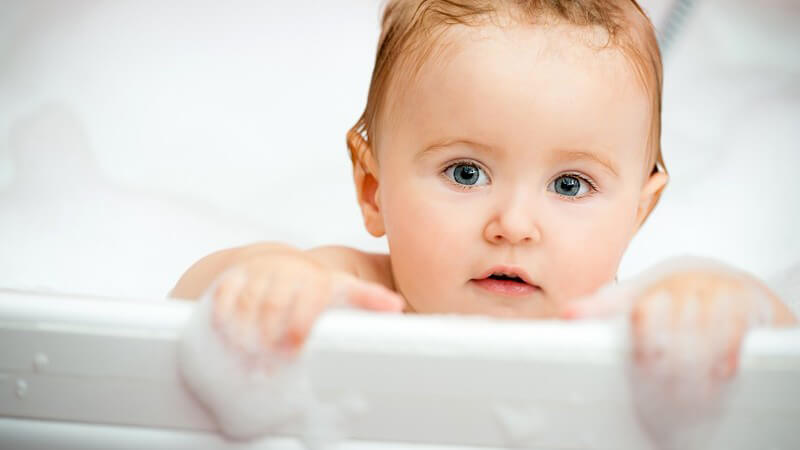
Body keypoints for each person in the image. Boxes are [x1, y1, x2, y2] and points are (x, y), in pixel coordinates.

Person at [171, 0, 796, 380]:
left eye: (570, 184)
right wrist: (267, 280)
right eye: (465, 173)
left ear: (638, 212)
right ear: (372, 187)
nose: (515, 224)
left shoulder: (637, 328)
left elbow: (780, 358)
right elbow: (188, 302)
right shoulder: (357, 294)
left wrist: (725, 304)